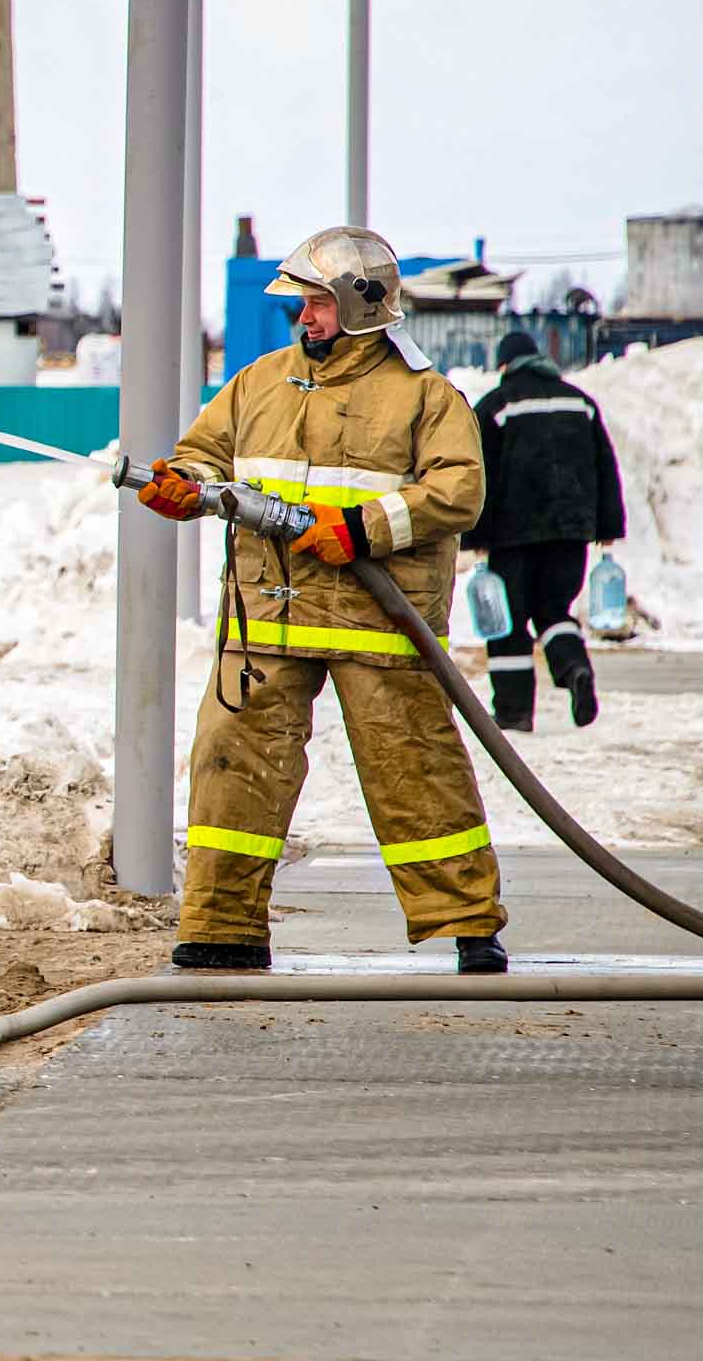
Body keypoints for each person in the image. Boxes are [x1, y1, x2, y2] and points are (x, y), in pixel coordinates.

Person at [133, 225, 510, 974]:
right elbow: (204, 454)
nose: (303, 320)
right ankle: (221, 924)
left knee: (415, 771)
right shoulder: (259, 383)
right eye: (299, 306)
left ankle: (467, 921)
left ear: (362, 305)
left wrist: (363, 530)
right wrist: (180, 483)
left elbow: (458, 490)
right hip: (265, 618)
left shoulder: (424, 397)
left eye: (316, 305)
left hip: (378, 621)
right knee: (231, 765)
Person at [464, 330, 626, 732]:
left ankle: (515, 711)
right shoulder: (581, 403)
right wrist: (607, 528)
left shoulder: (496, 407)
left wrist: (476, 535)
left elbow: (484, 476)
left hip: (513, 535)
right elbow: (606, 468)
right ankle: (574, 670)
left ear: (505, 365)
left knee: (509, 622)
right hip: (571, 533)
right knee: (554, 610)